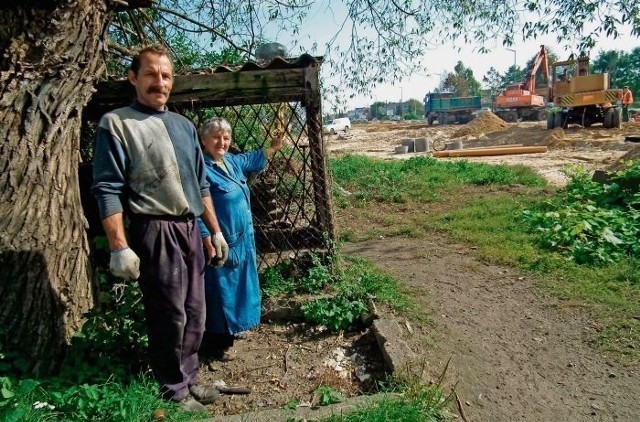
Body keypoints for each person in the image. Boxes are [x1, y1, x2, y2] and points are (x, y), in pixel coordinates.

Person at [91, 44, 229, 413]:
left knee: (196, 311)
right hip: (154, 230)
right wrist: (119, 245)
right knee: (169, 314)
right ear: (133, 77)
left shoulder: (184, 126)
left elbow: (201, 186)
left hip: (189, 229)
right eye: (151, 74)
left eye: (166, 75)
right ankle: (174, 390)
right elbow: (107, 188)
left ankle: (191, 378)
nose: (160, 82)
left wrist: (213, 230)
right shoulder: (117, 123)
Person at [197, 117, 283, 360]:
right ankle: (215, 343)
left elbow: (255, 157)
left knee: (240, 288)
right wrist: (208, 237)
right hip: (221, 241)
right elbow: (195, 207)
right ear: (203, 140)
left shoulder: (231, 162)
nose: (221, 142)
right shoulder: (201, 168)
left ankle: (233, 330)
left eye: (225, 137)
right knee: (220, 291)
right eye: (215, 137)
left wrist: (274, 146)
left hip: (242, 238)